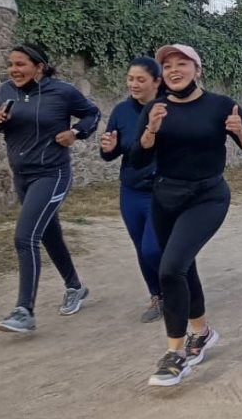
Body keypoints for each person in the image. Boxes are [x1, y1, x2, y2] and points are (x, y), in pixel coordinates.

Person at [130, 44, 242, 387]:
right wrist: (151, 131)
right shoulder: (155, 109)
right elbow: (138, 160)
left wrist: (238, 129)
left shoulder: (220, 105)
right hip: (165, 198)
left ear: (197, 69)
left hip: (207, 196)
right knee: (182, 266)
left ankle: (175, 354)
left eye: (182, 63)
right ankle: (201, 333)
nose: (174, 70)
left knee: (170, 268)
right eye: (168, 65)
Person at [0, 45, 101, 333]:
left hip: (52, 173)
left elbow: (92, 115)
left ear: (39, 66)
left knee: (25, 237)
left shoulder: (62, 91)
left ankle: (24, 311)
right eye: (10, 64)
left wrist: (75, 133)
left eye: (21, 64)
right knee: (48, 233)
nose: (13, 70)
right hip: (22, 176)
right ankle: (75, 287)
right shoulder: (5, 91)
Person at [99, 57, 165, 323]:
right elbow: (110, 153)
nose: (133, 84)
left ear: (156, 82)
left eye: (141, 79)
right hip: (131, 191)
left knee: (152, 248)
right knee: (141, 248)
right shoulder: (120, 111)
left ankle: (176, 289)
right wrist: (109, 148)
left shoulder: (167, 109)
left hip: (161, 191)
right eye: (130, 79)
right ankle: (157, 297)